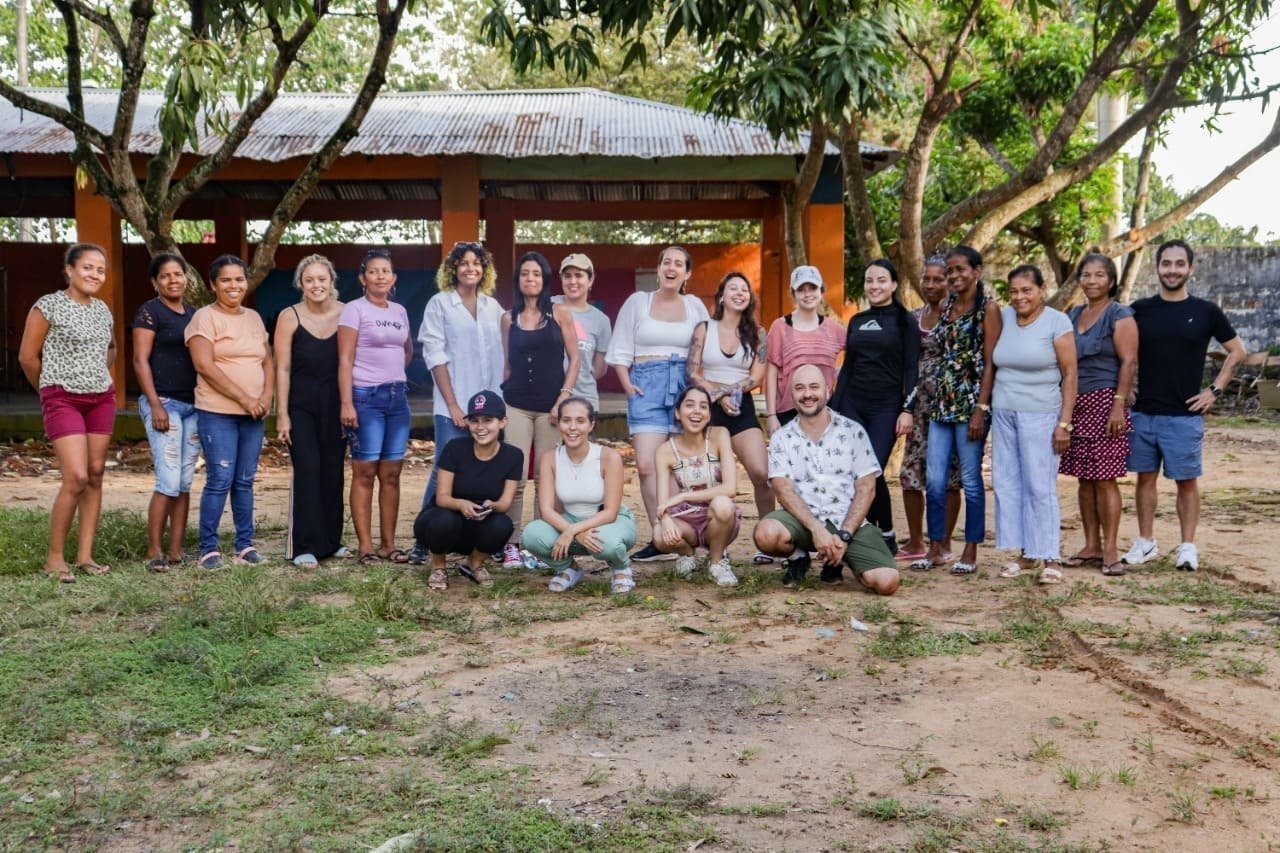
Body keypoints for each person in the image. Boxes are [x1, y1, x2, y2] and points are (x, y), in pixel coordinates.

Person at [1123, 239, 1246, 572]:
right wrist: (1126, 388)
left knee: (1187, 482)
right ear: (1157, 267)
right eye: (1166, 263)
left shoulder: (1206, 312)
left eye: (1179, 264)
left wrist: (1215, 391)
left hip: (1184, 416)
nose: (1172, 270)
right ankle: (1146, 542)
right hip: (1144, 412)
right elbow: (1121, 351)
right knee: (1144, 480)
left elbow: (1237, 351)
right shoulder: (1139, 309)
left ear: (1190, 269)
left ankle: (1188, 547)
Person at [753, 365, 900, 594]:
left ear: (828, 391)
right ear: (791, 395)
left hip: (847, 520)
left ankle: (841, 560)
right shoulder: (782, 438)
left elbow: (867, 488)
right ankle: (798, 558)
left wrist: (844, 535)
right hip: (803, 522)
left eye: (814, 387)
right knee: (766, 533)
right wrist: (816, 529)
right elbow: (783, 490)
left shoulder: (853, 431)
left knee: (887, 583)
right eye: (800, 388)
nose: (807, 394)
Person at [18, 242, 117, 582]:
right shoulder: (49, 305)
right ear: (70, 270)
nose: (95, 274)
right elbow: (28, 358)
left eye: (100, 269)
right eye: (88, 267)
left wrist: (99, 374)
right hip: (62, 398)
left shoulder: (103, 310)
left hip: (101, 398)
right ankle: (54, 559)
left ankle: (85, 556)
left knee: (95, 472)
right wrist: (48, 391)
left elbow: (111, 349)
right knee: (75, 476)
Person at [606, 245, 709, 563]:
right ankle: (659, 534)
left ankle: (687, 534)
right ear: (659, 268)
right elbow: (621, 344)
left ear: (687, 273)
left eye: (679, 263)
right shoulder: (639, 302)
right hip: (646, 385)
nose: (671, 267)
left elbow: (706, 347)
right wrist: (626, 382)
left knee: (683, 468)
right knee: (649, 467)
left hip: (683, 387)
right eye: (666, 261)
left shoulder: (694, 306)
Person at [415, 241, 505, 561]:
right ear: (453, 268)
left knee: (486, 471)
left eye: (477, 263)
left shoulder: (494, 308)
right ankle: (424, 540)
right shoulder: (440, 304)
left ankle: (480, 541)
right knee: (445, 470)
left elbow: (503, 356)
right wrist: (454, 405)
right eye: (464, 263)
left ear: (485, 269)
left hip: (489, 407)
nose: (471, 268)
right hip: (452, 405)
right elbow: (435, 357)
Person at [185, 254, 274, 570]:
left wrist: (266, 396)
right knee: (220, 478)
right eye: (226, 279)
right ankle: (208, 549)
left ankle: (245, 545)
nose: (234, 285)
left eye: (239, 279)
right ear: (213, 284)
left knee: (245, 480)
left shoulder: (253, 317)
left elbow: (267, 360)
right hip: (217, 411)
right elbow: (204, 365)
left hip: (253, 413)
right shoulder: (204, 319)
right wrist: (244, 399)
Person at [990, 265, 1077, 584]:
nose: (1020, 297)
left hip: (1042, 413)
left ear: (1041, 289)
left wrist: (1064, 423)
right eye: (1014, 291)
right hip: (1004, 411)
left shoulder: (1057, 321)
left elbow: (1070, 374)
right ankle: (1027, 555)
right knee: (1009, 483)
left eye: (1026, 290)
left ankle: (1052, 556)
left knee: (1040, 485)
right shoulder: (1004, 317)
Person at [922, 246, 1002, 575]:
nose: (954, 276)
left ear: (977, 271)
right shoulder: (948, 304)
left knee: (970, 481)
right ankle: (938, 546)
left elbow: (990, 363)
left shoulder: (989, 308)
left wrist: (981, 409)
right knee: (935, 479)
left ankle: (971, 548)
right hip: (942, 403)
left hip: (971, 404)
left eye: (960, 270)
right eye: (950, 271)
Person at [832, 259, 920, 557]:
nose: (875, 286)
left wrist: (907, 408)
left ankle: (886, 531)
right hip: (853, 403)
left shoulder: (905, 320)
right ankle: (871, 532)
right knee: (854, 471)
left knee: (872, 471)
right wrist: (833, 407)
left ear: (894, 284)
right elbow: (847, 368)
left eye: (881, 280)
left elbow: (912, 367)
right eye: (870, 281)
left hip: (886, 406)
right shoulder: (857, 320)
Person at [1058, 253, 1137, 576]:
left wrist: (1118, 404)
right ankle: (1090, 545)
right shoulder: (1074, 314)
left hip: (1106, 402)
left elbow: (1129, 362)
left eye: (1099, 275)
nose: (1092, 281)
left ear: (1111, 280)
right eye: (1086, 275)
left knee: (1105, 479)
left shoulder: (1120, 314)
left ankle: (1110, 549)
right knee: (1084, 479)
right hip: (1076, 403)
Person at [687, 270, 773, 565]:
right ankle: (716, 545)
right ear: (722, 296)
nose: (739, 293)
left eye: (744, 290)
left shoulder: (758, 333)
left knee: (762, 473)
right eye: (732, 288)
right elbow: (693, 372)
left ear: (749, 298)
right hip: (707, 406)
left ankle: (768, 538)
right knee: (711, 478)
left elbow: (757, 376)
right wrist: (720, 395)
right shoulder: (704, 329)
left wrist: (733, 392)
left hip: (742, 405)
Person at [500, 251, 581, 559]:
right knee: (517, 476)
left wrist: (564, 398)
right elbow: (508, 365)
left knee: (545, 476)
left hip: (552, 406)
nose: (530, 279)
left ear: (544, 279)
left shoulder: (559, 313)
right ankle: (512, 545)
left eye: (536, 273)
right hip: (516, 404)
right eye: (524, 274)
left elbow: (575, 359)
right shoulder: (508, 318)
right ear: (518, 280)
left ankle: (538, 543)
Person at [339, 249, 413, 566]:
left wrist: (392, 375)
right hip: (364, 398)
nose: (380, 275)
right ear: (362, 278)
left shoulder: (400, 311)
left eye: (386, 271)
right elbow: (344, 359)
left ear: (393, 278)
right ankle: (366, 546)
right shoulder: (354, 310)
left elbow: (407, 350)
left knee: (392, 474)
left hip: (397, 399)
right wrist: (347, 402)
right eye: (373, 271)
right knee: (365, 473)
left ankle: (389, 544)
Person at [522, 397, 638, 594]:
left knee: (608, 544)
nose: (572, 427)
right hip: (570, 519)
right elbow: (547, 509)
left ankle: (621, 567)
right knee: (531, 535)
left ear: (591, 424)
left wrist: (572, 531)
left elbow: (610, 512)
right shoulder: (550, 458)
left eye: (580, 421)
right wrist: (572, 530)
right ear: (558, 423)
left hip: (609, 521)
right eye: (566, 420)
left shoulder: (609, 457)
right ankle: (569, 568)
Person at [275, 254, 346, 568]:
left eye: (322, 279)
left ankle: (330, 542)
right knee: (308, 468)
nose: (316, 285)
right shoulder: (289, 316)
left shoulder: (347, 313)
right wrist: (282, 414)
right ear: (300, 284)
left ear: (331, 281)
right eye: (309, 280)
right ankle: (302, 544)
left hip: (337, 405)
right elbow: (283, 368)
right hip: (300, 406)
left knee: (333, 470)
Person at [130, 252, 199, 573]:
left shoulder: (195, 315)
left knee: (184, 481)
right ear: (155, 282)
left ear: (186, 278)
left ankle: (175, 550)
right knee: (169, 479)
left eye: (178, 274)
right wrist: (155, 403)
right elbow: (140, 360)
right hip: (164, 405)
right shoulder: (149, 312)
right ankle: (153, 549)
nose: (174, 280)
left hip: (194, 407)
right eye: (166, 276)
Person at [413, 391, 523, 592]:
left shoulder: (513, 455)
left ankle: (474, 563)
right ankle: (438, 566)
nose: (480, 427)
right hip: (442, 520)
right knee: (445, 520)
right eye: (474, 421)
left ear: (502, 422)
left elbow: (505, 503)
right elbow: (442, 497)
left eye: (488, 420)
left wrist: (491, 506)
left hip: (479, 524)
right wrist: (461, 504)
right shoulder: (455, 448)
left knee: (503, 524)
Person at [898, 256, 960, 564]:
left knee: (947, 476)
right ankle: (916, 540)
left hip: (949, 407)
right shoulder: (912, 318)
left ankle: (944, 543)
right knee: (910, 472)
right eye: (927, 279)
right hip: (917, 407)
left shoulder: (959, 316)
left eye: (939, 279)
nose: (932, 285)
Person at [652, 386, 742, 586]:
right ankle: (686, 554)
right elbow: (662, 502)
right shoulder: (665, 451)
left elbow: (730, 489)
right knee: (659, 535)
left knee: (723, 504)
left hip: (719, 518)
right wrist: (665, 519)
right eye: (689, 405)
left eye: (703, 407)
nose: (696, 412)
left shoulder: (720, 435)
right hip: (687, 520)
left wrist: (683, 496)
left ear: (709, 415)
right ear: (677, 413)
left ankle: (717, 562)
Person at [764, 266, 845, 433]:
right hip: (787, 412)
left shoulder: (833, 328)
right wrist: (771, 415)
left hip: (824, 411)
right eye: (801, 290)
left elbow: (861, 351)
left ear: (821, 291)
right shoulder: (780, 327)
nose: (808, 294)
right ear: (793, 295)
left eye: (813, 288)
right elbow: (771, 372)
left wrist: (841, 373)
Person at [552, 252, 612, 407]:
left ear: (590, 279)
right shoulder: (548, 305)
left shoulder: (601, 321)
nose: (573, 281)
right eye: (567, 276)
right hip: (547, 399)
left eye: (578, 275)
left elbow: (599, 369)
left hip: (584, 400)